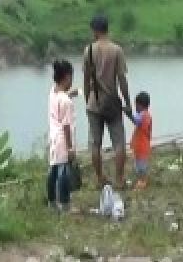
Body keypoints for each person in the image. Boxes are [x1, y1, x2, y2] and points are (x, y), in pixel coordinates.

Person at [82, 16, 132, 187]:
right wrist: (127, 101)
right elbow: (122, 79)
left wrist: (86, 99)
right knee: (119, 143)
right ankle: (119, 179)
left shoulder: (88, 50)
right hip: (112, 103)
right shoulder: (117, 50)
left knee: (96, 144)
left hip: (94, 103)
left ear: (96, 30)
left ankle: (99, 179)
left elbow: (86, 78)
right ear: (106, 29)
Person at [46, 60, 76, 212]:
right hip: (63, 140)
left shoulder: (53, 92)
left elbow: (61, 98)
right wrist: (70, 148)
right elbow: (66, 126)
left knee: (53, 170)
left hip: (53, 137)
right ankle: (64, 204)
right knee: (64, 172)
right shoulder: (67, 102)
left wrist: (71, 93)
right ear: (67, 77)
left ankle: (51, 201)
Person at [129, 91, 152, 189]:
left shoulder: (145, 115)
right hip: (139, 145)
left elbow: (137, 121)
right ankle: (141, 180)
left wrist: (129, 114)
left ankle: (143, 181)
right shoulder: (143, 114)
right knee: (138, 165)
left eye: (136, 105)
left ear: (141, 105)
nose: (135, 108)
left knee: (142, 166)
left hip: (142, 146)